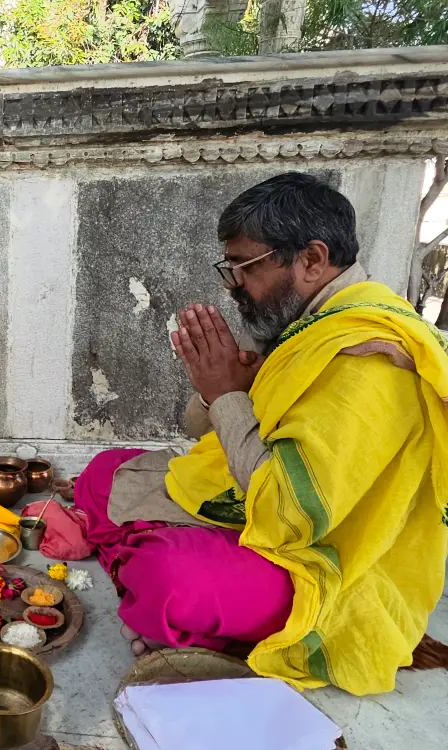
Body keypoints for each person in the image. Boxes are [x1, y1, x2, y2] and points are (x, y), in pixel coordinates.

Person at [76, 172, 448, 695]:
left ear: (311, 260)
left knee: (168, 578)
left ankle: (164, 587)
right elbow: (205, 434)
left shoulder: (370, 361)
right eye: (229, 269)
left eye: (244, 267)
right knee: (104, 471)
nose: (233, 286)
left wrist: (227, 394)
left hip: (323, 567)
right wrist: (220, 390)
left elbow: (289, 512)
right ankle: (162, 592)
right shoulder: (312, 324)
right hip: (256, 508)